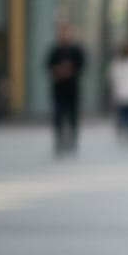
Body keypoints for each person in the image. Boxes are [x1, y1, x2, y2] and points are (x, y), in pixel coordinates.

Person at [46, 22, 86, 155]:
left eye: (67, 32)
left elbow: (82, 66)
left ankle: (73, 139)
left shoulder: (76, 50)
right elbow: (48, 66)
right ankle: (59, 140)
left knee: (73, 115)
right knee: (58, 114)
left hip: (72, 88)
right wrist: (58, 71)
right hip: (58, 89)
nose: (64, 35)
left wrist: (71, 70)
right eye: (62, 32)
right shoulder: (55, 51)